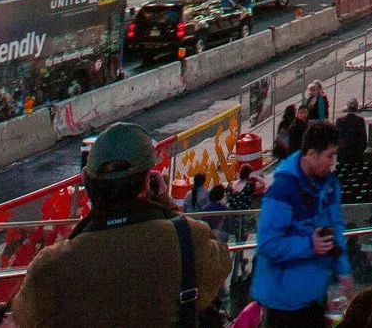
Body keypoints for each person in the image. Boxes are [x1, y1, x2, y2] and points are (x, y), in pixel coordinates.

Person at [14, 122, 231, 328]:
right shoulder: (188, 240)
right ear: (148, 182)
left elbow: (23, 316)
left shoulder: (49, 266)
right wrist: (165, 203)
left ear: (85, 180)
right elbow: (221, 263)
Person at [253, 118, 350, 328]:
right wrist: (309, 245)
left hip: (314, 296)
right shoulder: (281, 191)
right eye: (329, 156)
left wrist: (343, 268)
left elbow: (336, 227)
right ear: (312, 154)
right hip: (285, 304)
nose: (332, 163)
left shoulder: (330, 184)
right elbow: (268, 243)